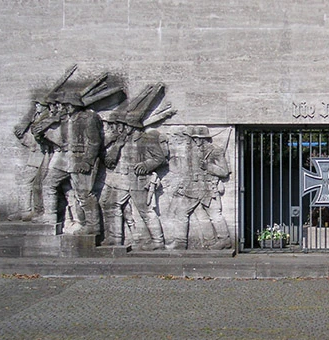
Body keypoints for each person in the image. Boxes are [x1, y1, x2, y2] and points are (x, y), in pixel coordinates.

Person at [31, 92, 102, 235]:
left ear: (75, 105)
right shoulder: (62, 118)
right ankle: (49, 216)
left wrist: (87, 161)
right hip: (63, 158)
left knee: (84, 194)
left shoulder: (88, 118)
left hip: (80, 158)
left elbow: (94, 142)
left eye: (67, 105)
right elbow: (38, 131)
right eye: (64, 105)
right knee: (48, 183)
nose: (65, 107)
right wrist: (50, 121)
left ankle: (92, 225)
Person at [99, 110, 169, 249]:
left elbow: (159, 158)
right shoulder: (120, 140)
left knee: (146, 211)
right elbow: (109, 161)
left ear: (131, 126)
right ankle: (115, 239)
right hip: (122, 180)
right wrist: (117, 146)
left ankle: (158, 242)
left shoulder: (145, 138)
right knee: (111, 205)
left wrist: (146, 165)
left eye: (122, 125)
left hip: (139, 181)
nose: (119, 128)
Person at [161, 127, 232, 250]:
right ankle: (181, 243)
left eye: (196, 139)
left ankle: (224, 240)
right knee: (181, 213)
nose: (194, 141)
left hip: (208, 189)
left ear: (202, 139)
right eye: (193, 138)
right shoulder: (190, 152)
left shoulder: (215, 151)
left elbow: (224, 171)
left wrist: (208, 166)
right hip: (191, 189)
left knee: (215, 215)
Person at [8, 99, 53, 222]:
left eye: (40, 104)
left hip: (46, 154)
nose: (37, 106)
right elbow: (32, 141)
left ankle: (36, 211)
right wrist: (22, 136)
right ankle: (25, 211)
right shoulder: (36, 117)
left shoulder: (48, 117)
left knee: (40, 184)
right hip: (36, 154)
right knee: (25, 181)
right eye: (36, 104)